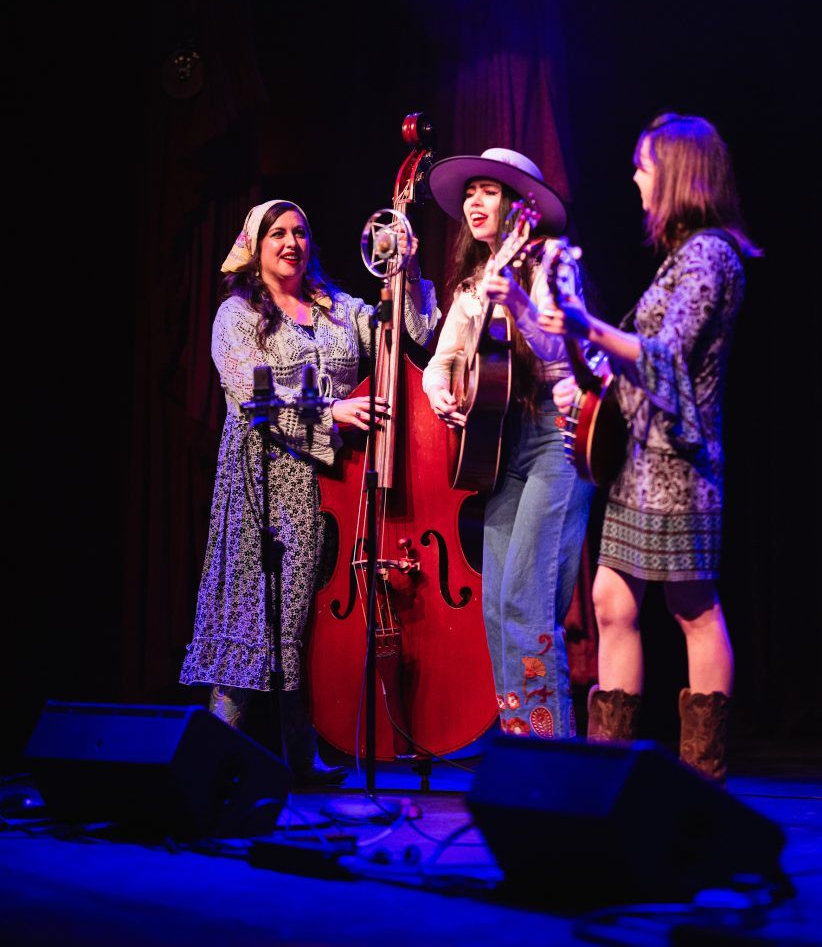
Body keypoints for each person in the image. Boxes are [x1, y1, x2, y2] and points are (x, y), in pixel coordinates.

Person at [180, 199, 439, 783]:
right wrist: (332, 409)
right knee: (255, 619)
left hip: (334, 489)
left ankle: (302, 756)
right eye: (278, 233)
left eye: (300, 232)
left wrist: (406, 270)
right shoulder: (238, 314)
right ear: (255, 245)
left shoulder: (337, 309)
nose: (292, 242)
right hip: (263, 480)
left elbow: (412, 332)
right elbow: (249, 390)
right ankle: (208, 761)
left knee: (306, 622)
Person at [540, 114, 758, 782]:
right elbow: (630, 362)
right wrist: (575, 342)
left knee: (691, 606)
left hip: (679, 465)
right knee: (611, 599)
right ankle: (612, 775)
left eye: (644, 164)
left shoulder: (711, 255)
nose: (635, 177)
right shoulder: (679, 258)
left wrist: (587, 324)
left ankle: (704, 775)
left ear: (677, 174)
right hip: (641, 461)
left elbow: (666, 358)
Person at [422, 149, 593, 740]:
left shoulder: (553, 262)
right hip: (501, 446)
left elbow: (561, 353)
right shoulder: (471, 287)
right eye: (469, 191)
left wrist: (515, 301)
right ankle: (524, 742)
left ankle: (550, 747)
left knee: (528, 596)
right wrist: (440, 392)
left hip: (556, 437)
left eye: (488, 191)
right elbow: (438, 365)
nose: (473, 202)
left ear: (521, 206)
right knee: (497, 604)